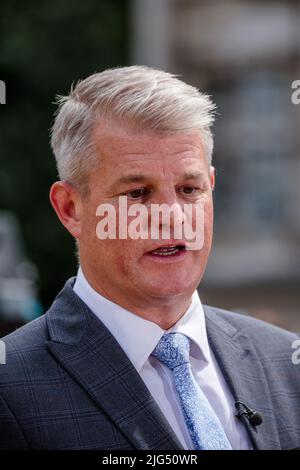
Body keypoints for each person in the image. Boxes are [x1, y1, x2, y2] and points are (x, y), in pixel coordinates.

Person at [0, 66, 299, 450]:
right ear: (71, 209)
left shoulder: (287, 364)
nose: (172, 216)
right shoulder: (12, 390)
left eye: (189, 189)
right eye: (138, 193)